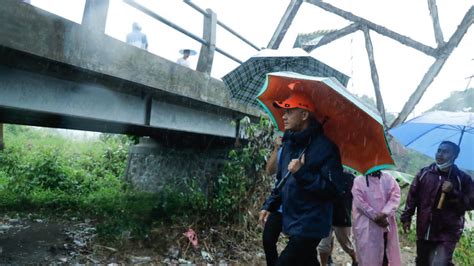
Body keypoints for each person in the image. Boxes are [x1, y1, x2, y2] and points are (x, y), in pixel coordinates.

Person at [261, 91, 344, 266]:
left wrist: (302, 172)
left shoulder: (326, 148)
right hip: (293, 218)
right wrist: (270, 205)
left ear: (304, 115)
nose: (284, 116)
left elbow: (334, 189)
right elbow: (283, 181)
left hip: (311, 223)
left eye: (289, 111)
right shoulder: (290, 144)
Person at [400, 141, 473, 266]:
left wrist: (453, 192)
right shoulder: (424, 173)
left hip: (448, 231)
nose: (440, 154)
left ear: (454, 156)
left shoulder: (463, 179)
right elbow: (412, 197)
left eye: (445, 152)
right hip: (425, 228)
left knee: (442, 262)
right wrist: (406, 217)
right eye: (439, 150)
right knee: (423, 262)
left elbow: (471, 203)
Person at [352, 170, 402, 266]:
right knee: (367, 256)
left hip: (385, 226)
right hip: (366, 227)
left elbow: (395, 195)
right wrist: (376, 217)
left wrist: (384, 213)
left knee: (385, 255)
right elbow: (360, 203)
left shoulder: (388, 178)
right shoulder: (358, 181)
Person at [318, 171, 358, 266]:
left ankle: (355, 260)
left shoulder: (351, 178)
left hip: (342, 216)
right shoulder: (325, 174)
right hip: (326, 215)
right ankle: (324, 263)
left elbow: (356, 197)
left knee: (346, 245)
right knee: (323, 246)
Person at [260, 136, 283, 266]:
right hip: (278, 204)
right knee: (268, 239)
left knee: (300, 248)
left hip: (297, 207)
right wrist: (276, 148)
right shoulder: (285, 147)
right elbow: (269, 170)